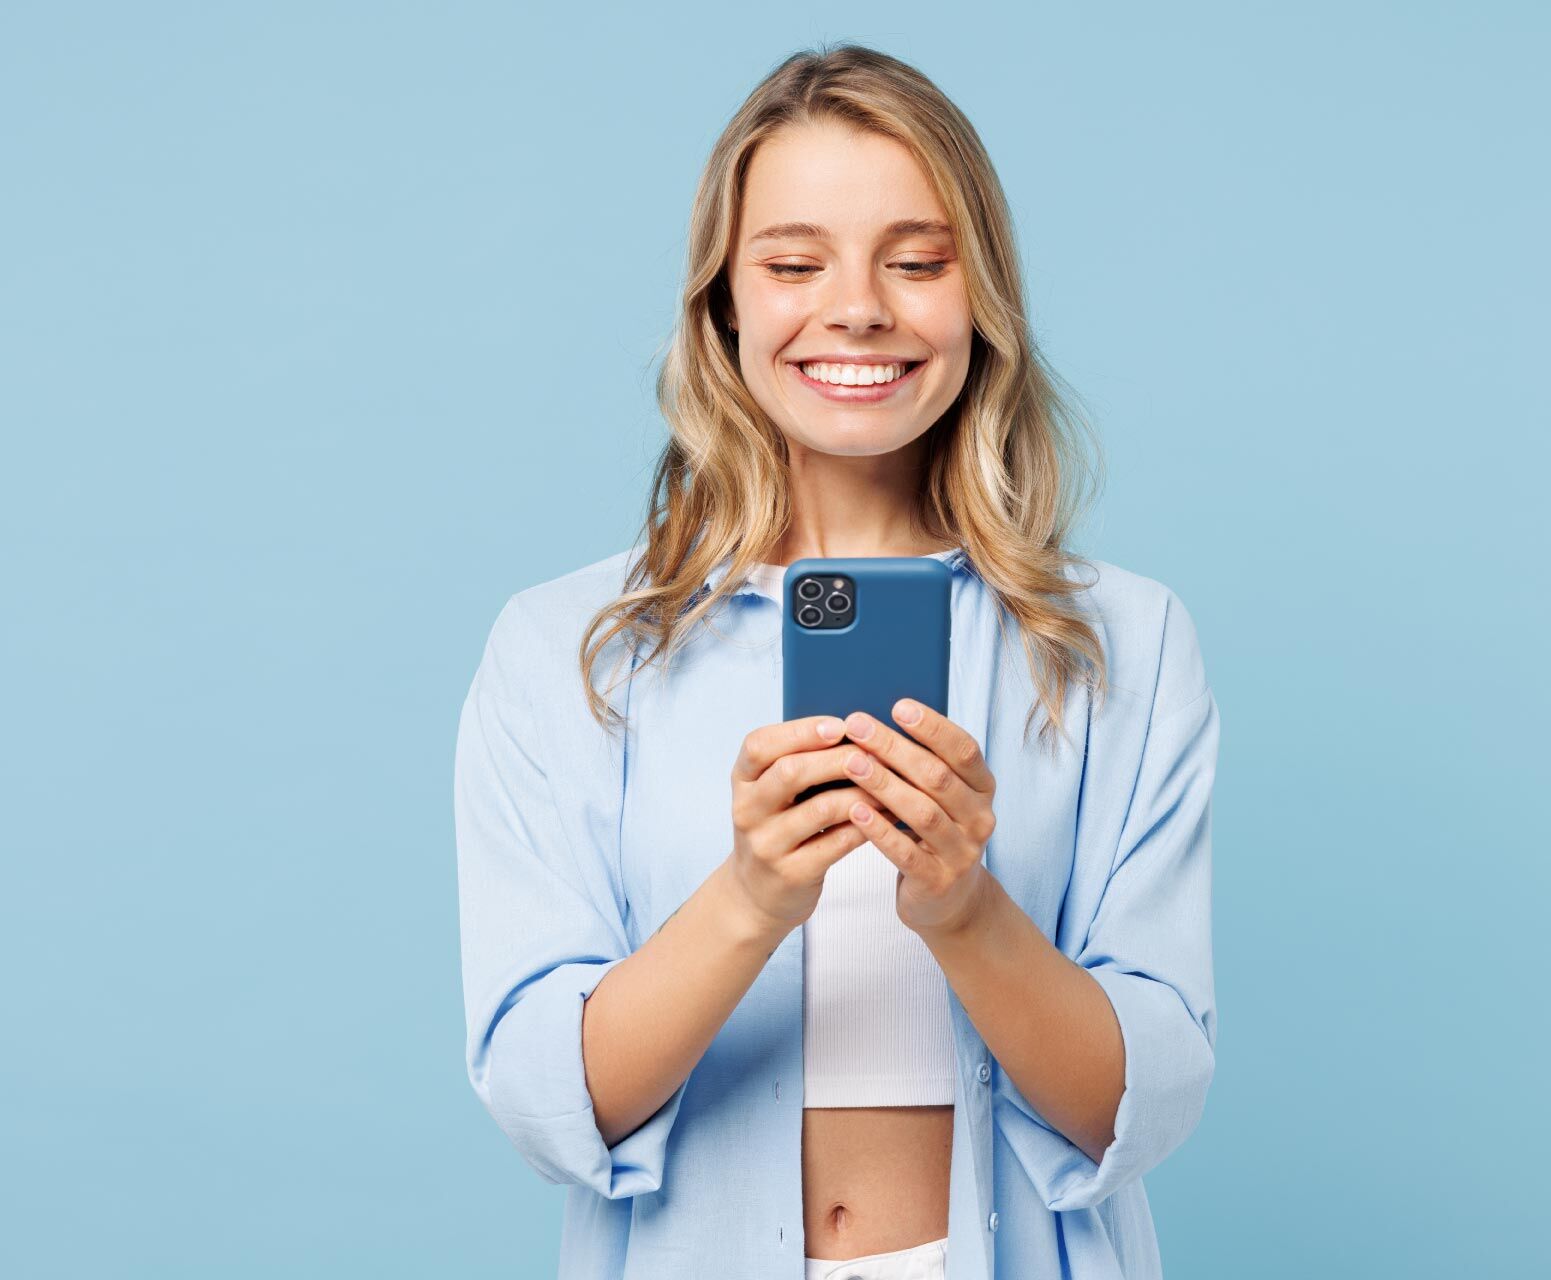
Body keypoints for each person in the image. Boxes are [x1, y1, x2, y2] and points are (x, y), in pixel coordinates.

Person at [454, 42, 1219, 1280]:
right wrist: (751, 895)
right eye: (795, 262)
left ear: (983, 299)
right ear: (725, 304)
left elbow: (1147, 1099)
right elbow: (548, 1100)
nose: (858, 305)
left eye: (916, 262)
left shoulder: (1124, 644)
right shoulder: (568, 651)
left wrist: (966, 908)